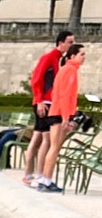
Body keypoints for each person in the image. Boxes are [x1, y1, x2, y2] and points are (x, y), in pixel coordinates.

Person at [24, 28, 74, 185]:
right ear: (61, 43)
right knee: (45, 139)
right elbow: (36, 79)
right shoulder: (50, 57)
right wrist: (39, 100)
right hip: (45, 103)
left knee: (38, 137)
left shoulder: (58, 59)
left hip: (46, 102)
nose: (71, 45)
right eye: (70, 42)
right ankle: (38, 175)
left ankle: (29, 175)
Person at [38, 42, 86, 189]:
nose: (84, 58)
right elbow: (66, 96)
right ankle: (45, 180)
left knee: (54, 147)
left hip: (57, 111)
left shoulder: (66, 69)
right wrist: (67, 117)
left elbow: (58, 93)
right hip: (60, 113)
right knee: (55, 147)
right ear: (73, 56)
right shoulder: (70, 71)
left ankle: (45, 180)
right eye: (82, 54)